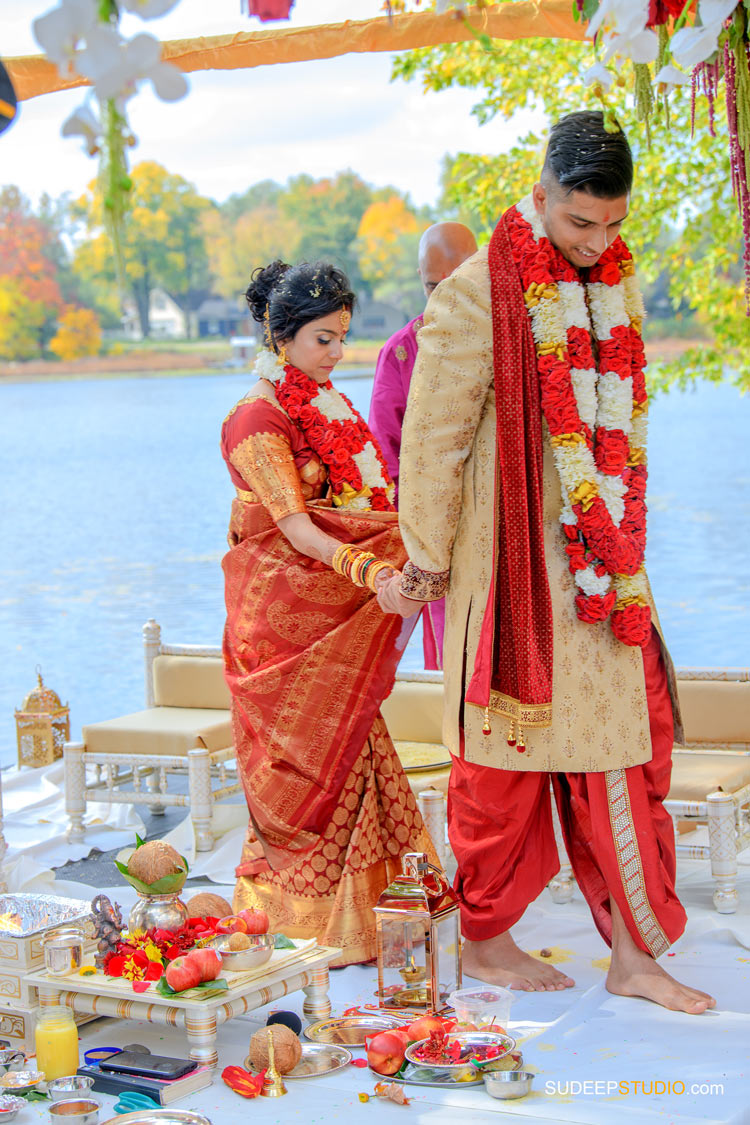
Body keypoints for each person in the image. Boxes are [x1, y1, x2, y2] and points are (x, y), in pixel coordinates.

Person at [378, 112, 716, 1015]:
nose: (598, 242)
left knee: (631, 744)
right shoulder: (475, 295)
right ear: (540, 196)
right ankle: (486, 940)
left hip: (603, 572)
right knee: (501, 760)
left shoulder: (614, 287)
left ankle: (636, 953)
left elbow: (616, 429)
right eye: (580, 224)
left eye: (613, 224)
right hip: (512, 576)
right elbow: (431, 444)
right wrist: (429, 563)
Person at [220, 259, 436, 966]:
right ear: (279, 337)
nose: (338, 354)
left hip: (333, 619)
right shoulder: (256, 419)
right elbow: (297, 528)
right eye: (323, 339)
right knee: (308, 767)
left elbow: (359, 502)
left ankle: (372, 920)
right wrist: (373, 569)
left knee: (357, 747)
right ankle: (303, 924)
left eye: (343, 337)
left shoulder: (326, 403)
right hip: (283, 627)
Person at [369, 221, 477, 668]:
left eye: (460, 285)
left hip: (513, 537)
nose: (447, 299)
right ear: (420, 279)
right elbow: (385, 462)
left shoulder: (519, 338)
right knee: (454, 673)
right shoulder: (401, 354)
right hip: (440, 546)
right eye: (435, 287)